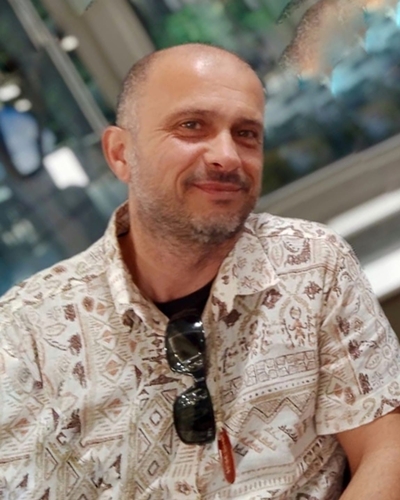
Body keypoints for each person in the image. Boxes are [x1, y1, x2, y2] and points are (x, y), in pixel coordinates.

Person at [1, 43, 400, 500]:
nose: (227, 156)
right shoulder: (25, 334)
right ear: (121, 154)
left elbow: (386, 448)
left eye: (246, 134)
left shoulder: (309, 263)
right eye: (191, 126)